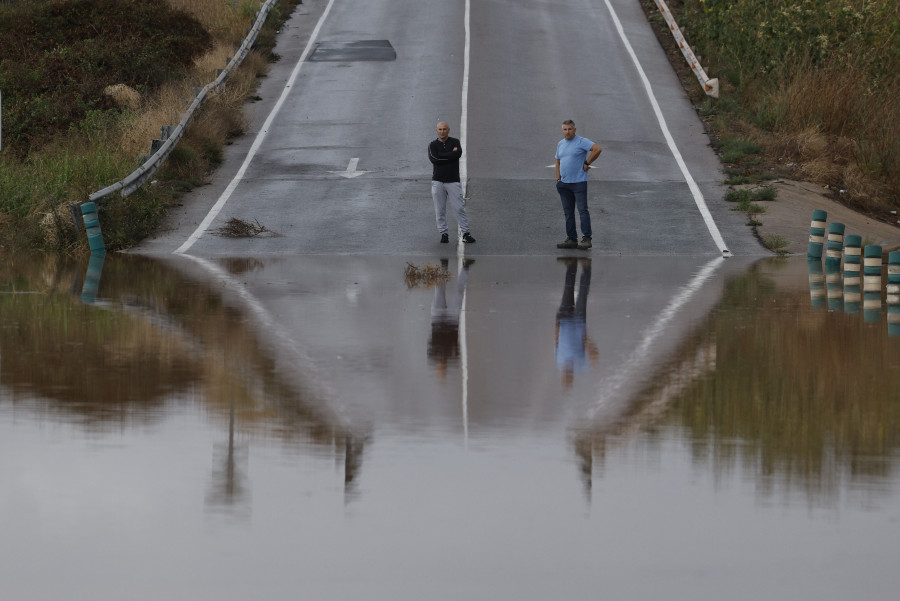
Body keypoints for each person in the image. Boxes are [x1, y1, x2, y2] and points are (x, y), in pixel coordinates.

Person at [555, 120, 602, 250]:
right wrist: (558, 178)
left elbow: (597, 149)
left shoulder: (582, 141)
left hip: (579, 183)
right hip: (564, 184)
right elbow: (558, 161)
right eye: (565, 129)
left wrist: (587, 163)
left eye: (570, 129)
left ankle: (586, 239)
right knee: (568, 213)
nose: (567, 132)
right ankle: (571, 239)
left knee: (582, 211)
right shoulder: (560, 144)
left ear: (575, 130)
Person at [428, 122, 475, 244]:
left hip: (453, 181)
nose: (442, 131)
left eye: (444, 129)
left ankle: (466, 233)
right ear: (436, 130)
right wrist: (451, 155)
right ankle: (444, 233)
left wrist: (443, 156)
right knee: (440, 209)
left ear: (448, 130)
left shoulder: (455, 142)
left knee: (459, 208)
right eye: (440, 129)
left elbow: (457, 154)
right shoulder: (432, 145)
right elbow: (434, 159)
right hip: (438, 182)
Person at [555, 257, 599, 389]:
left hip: (563, 319)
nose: (566, 373)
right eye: (569, 377)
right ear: (572, 376)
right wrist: (586, 341)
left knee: (568, 287)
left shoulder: (559, 362)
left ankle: (571, 265)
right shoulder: (580, 365)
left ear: (562, 374)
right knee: (583, 292)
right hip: (579, 322)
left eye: (565, 376)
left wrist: (557, 324)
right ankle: (586, 267)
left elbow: (556, 342)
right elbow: (595, 356)